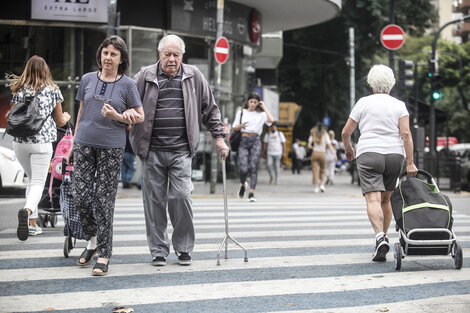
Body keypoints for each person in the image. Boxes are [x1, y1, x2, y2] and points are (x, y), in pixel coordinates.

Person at [129, 34, 229, 267]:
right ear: (159, 54)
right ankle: (158, 250)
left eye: (176, 55)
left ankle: (183, 247)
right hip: (151, 150)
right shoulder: (144, 76)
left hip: (181, 151)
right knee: (154, 202)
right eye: (167, 54)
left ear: (182, 56)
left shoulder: (194, 76)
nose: (171, 59)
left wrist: (220, 138)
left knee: (182, 196)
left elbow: (210, 110)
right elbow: (126, 101)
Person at [68, 35, 144, 276]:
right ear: (100, 55)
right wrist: (72, 142)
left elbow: (140, 115)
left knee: (103, 200)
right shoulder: (87, 79)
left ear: (122, 59)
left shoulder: (128, 85)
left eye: (113, 54)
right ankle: (91, 240)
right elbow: (81, 110)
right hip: (83, 143)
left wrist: (118, 117)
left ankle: (104, 253)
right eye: (105, 52)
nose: (108, 57)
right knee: (80, 196)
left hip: (112, 147)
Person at [341, 64, 418, 262]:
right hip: (394, 155)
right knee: (386, 199)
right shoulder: (399, 105)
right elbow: (406, 134)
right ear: (391, 83)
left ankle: (379, 237)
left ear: (371, 83)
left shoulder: (363, 102)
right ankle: (383, 238)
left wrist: (349, 149)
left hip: (369, 153)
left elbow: (345, 132)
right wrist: (410, 163)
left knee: (373, 199)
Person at [9, 55, 71, 241]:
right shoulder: (53, 91)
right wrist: (67, 117)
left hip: (19, 143)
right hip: (42, 143)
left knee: (31, 181)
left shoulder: (18, 89)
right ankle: (27, 211)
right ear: (46, 70)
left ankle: (33, 224)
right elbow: (60, 121)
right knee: (37, 182)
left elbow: (15, 116)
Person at [232, 92, 274, 202]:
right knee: (244, 167)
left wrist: (264, 106)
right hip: (243, 140)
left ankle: (251, 193)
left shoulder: (262, 114)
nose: (253, 104)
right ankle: (243, 184)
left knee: (253, 166)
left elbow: (271, 120)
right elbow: (234, 128)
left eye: (255, 102)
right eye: (251, 101)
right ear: (248, 102)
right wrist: (240, 126)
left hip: (255, 140)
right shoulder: (241, 112)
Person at [308, 123, 336, 193]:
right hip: (322, 154)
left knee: (315, 171)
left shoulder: (313, 134)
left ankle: (316, 187)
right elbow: (329, 146)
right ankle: (322, 185)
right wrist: (334, 155)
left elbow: (309, 146)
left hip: (315, 153)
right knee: (323, 170)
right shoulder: (325, 135)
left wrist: (313, 147)